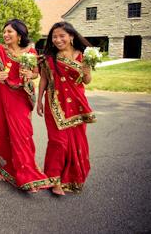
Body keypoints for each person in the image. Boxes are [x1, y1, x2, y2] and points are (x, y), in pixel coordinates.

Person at [0, 19, 50, 192]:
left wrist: (31, 73)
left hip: (20, 97)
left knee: (22, 134)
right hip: (0, 94)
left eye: (10, 32)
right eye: (4, 31)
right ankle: (4, 169)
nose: (5, 35)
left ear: (19, 35)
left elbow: (36, 73)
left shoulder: (30, 51)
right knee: (2, 132)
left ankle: (27, 174)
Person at [37, 22, 96, 195]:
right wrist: (39, 100)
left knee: (77, 143)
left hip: (77, 106)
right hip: (55, 105)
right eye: (54, 37)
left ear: (71, 36)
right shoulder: (49, 58)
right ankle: (54, 179)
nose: (57, 40)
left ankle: (72, 178)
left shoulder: (83, 56)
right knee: (59, 143)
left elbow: (87, 81)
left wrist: (86, 69)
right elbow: (44, 80)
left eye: (62, 36)